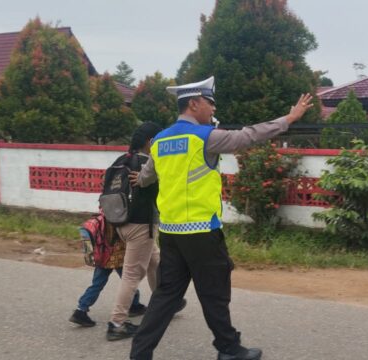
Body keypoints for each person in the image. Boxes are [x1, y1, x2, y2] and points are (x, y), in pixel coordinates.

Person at [128, 76, 314, 360]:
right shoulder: (206, 137)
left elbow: (147, 176)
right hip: (202, 232)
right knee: (214, 294)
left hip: (171, 234)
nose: (213, 109)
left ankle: (140, 353)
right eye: (210, 103)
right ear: (194, 103)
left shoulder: (160, 141)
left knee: (166, 296)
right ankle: (228, 349)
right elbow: (249, 135)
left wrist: (139, 182)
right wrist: (289, 118)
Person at [104, 122, 187, 341]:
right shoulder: (147, 164)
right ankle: (117, 323)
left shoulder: (121, 161)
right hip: (141, 225)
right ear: (151, 142)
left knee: (155, 261)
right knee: (132, 274)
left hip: (120, 223)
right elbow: (162, 191)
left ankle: (168, 303)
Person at [69, 228, 145, 328]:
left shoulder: (100, 217)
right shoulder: (115, 215)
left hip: (102, 255)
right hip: (116, 255)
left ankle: (80, 310)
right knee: (130, 281)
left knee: (97, 285)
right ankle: (134, 306)